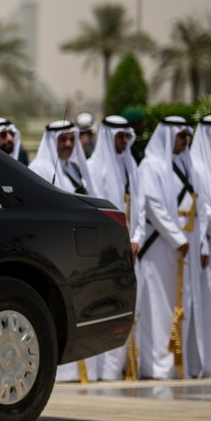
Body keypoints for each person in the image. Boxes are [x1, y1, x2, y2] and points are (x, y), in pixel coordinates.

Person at [131, 116, 199, 379]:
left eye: (187, 136)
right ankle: (157, 366)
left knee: (177, 307)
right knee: (158, 308)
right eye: (181, 136)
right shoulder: (151, 165)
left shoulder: (182, 163)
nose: (185, 141)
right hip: (158, 248)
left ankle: (176, 365)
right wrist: (177, 238)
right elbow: (153, 206)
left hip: (179, 247)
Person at [84, 115, 141, 380]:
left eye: (126, 137)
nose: (124, 141)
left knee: (128, 306)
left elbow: (140, 206)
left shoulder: (130, 165)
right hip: (107, 250)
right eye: (120, 137)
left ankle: (119, 369)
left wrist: (136, 237)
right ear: (109, 137)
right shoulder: (94, 167)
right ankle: (104, 371)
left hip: (132, 248)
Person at [185, 115, 211, 378]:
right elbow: (204, 212)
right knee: (209, 306)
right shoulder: (196, 166)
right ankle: (209, 362)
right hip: (209, 247)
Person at [27, 120, 87, 194]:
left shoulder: (72, 167)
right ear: (52, 141)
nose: (68, 144)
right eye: (63, 139)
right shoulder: (38, 169)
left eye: (72, 139)